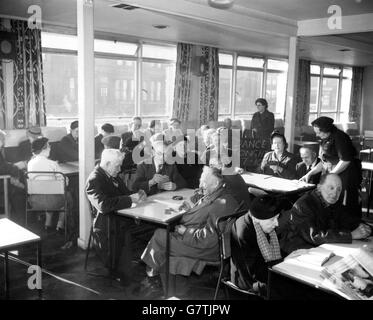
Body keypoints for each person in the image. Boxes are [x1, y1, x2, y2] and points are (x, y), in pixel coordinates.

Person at [139, 165, 240, 297]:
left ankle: (153, 278)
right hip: (204, 243)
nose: (200, 184)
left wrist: (185, 232)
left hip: (207, 249)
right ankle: (163, 284)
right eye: (200, 180)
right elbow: (205, 208)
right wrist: (191, 208)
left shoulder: (222, 203)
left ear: (215, 183)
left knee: (160, 236)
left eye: (204, 181)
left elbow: (208, 239)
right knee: (163, 241)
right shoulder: (219, 195)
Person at [85, 149, 147, 283]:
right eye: (117, 166)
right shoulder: (94, 179)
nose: (119, 170)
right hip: (106, 223)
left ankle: (144, 263)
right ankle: (122, 271)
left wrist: (137, 194)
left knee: (150, 227)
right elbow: (103, 205)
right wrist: (130, 199)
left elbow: (125, 193)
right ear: (107, 164)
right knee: (137, 230)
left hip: (119, 217)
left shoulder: (112, 175)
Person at [278, 173, 371, 255]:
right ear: (319, 187)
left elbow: (347, 219)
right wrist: (351, 235)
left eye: (339, 189)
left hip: (322, 247)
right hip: (297, 249)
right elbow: (314, 236)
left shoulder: (333, 202)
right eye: (331, 188)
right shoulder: (304, 205)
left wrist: (365, 228)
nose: (335, 193)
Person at [300, 116, 362, 218]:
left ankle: (349, 230)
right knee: (329, 202)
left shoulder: (340, 137)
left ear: (326, 130)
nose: (317, 135)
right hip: (332, 175)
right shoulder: (324, 139)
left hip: (345, 176)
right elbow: (324, 161)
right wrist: (309, 174)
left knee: (344, 205)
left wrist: (330, 176)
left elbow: (345, 160)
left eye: (319, 132)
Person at [230, 195, 283, 297]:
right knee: (292, 288)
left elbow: (273, 253)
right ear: (258, 219)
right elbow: (256, 272)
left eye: (277, 218)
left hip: (263, 269)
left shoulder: (263, 221)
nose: (276, 224)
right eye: (273, 220)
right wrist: (283, 263)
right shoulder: (245, 232)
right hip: (248, 280)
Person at [27, 137, 76, 245]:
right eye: (48, 146)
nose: (50, 148)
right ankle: (60, 225)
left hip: (34, 201)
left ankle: (48, 223)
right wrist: (64, 179)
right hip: (53, 201)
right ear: (44, 149)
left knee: (48, 192)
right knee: (67, 196)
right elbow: (64, 182)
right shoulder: (52, 164)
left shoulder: (30, 163)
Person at [0, 130, 26, 225]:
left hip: (3, 179)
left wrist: (13, 167)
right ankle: (21, 224)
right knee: (18, 193)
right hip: (2, 182)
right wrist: (16, 166)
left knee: (18, 186)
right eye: (2, 139)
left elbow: (3, 166)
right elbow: (2, 167)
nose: (3, 142)